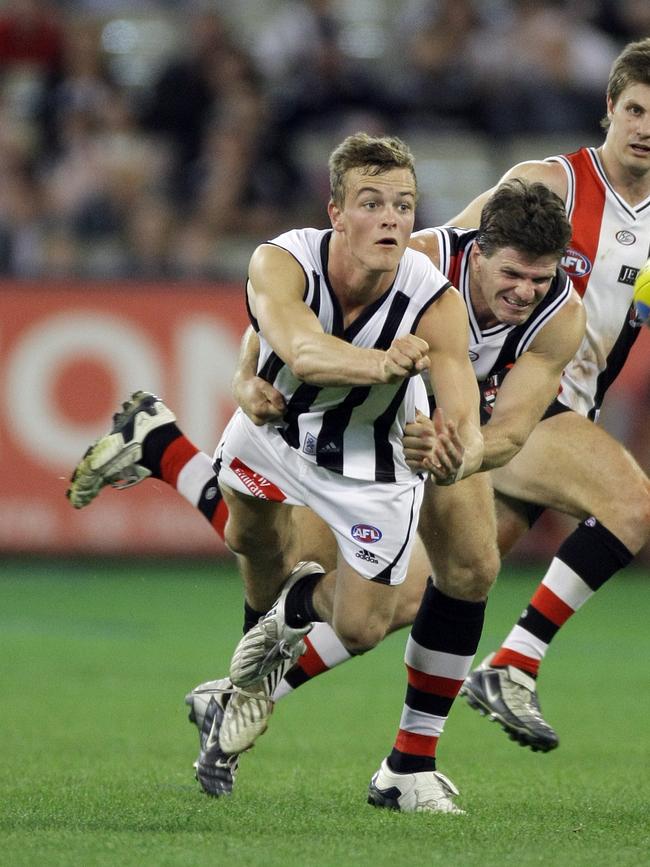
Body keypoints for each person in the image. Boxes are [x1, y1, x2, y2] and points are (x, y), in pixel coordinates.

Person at [67, 177, 583, 812]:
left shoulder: (561, 315)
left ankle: (407, 765)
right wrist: (242, 378)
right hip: (352, 421)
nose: (527, 293)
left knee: (470, 569)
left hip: (443, 433)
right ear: (477, 254)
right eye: (514, 275)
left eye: (541, 278)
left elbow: (511, 431)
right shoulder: (414, 259)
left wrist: (460, 454)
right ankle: (165, 452)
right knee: (295, 566)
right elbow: (284, 317)